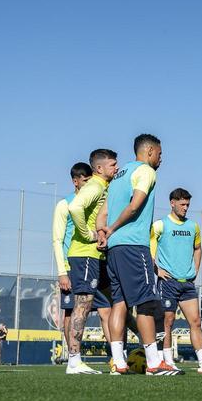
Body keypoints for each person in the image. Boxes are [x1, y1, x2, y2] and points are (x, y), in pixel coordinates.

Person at [98, 133, 178, 376]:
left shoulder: (119, 175)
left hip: (114, 249)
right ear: (150, 151)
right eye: (160, 154)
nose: (161, 159)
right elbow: (134, 206)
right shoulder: (146, 171)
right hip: (133, 246)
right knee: (146, 304)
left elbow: (103, 213)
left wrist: (103, 233)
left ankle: (118, 363)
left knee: (119, 303)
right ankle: (154, 363)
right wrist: (112, 229)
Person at [150, 187, 202, 373]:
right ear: (172, 203)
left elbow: (198, 248)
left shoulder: (193, 226)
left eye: (188, 204)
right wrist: (157, 270)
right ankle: (167, 361)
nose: (185, 208)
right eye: (182, 204)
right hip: (168, 282)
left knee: (195, 321)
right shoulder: (160, 225)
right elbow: (149, 251)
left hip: (187, 283)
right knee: (168, 321)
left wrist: (195, 269)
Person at [65, 150, 117, 375]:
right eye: (112, 164)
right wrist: (88, 235)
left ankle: (119, 356)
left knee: (108, 306)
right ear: (99, 168)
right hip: (85, 254)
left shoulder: (104, 187)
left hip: (96, 256)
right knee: (83, 305)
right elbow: (74, 207)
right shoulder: (94, 186)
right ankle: (74, 361)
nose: (116, 168)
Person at [52, 162, 93, 365]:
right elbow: (57, 240)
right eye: (85, 181)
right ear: (75, 181)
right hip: (70, 266)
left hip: (90, 263)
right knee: (70, 311)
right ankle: (73, 359)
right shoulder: (64, 204)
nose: (88, 185)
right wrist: (62, 272)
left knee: (99, 310)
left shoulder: (94, 203)